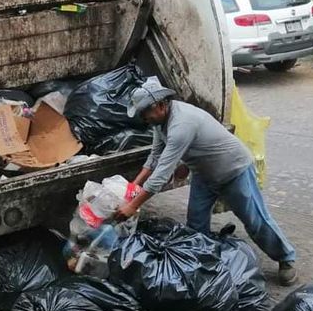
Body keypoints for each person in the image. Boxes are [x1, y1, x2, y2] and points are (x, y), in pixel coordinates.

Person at [114, 78, 298, 286]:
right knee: (195, 223)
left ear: (160, 105)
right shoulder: (159, 123)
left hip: (233, 169)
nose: (143, 118)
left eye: (144, 112)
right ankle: (204, 267)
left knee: (255, 221)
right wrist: (134, 185)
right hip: (204, 173)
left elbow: (161, 175)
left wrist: (132, 205)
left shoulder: (182, 123)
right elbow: (155, 156)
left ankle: (286, 258)